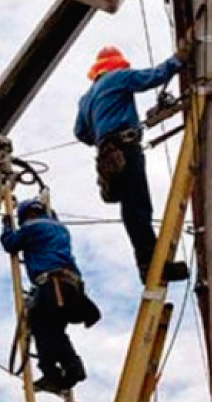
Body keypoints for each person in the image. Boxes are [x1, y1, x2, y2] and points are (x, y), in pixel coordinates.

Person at [74, 45, 189, 283]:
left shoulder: (86, 98)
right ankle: (150, 264)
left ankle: (147, 262)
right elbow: (153, 77)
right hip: (125, 147)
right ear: (116, 64)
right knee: (138, 205)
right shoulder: (120, 78)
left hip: (106, 154)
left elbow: (80, 132)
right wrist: (177, 60)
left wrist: (101, 133)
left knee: (130, 205)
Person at [0, 198, 100, 394]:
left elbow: (11, 244)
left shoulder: (32, 227)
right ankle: (72, 368)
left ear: (26, 215)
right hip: (70, 286)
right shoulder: (60, 228)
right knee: (55, 331)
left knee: (42, 328)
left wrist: (6, 227)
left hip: (52, 284)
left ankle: (52, 375)